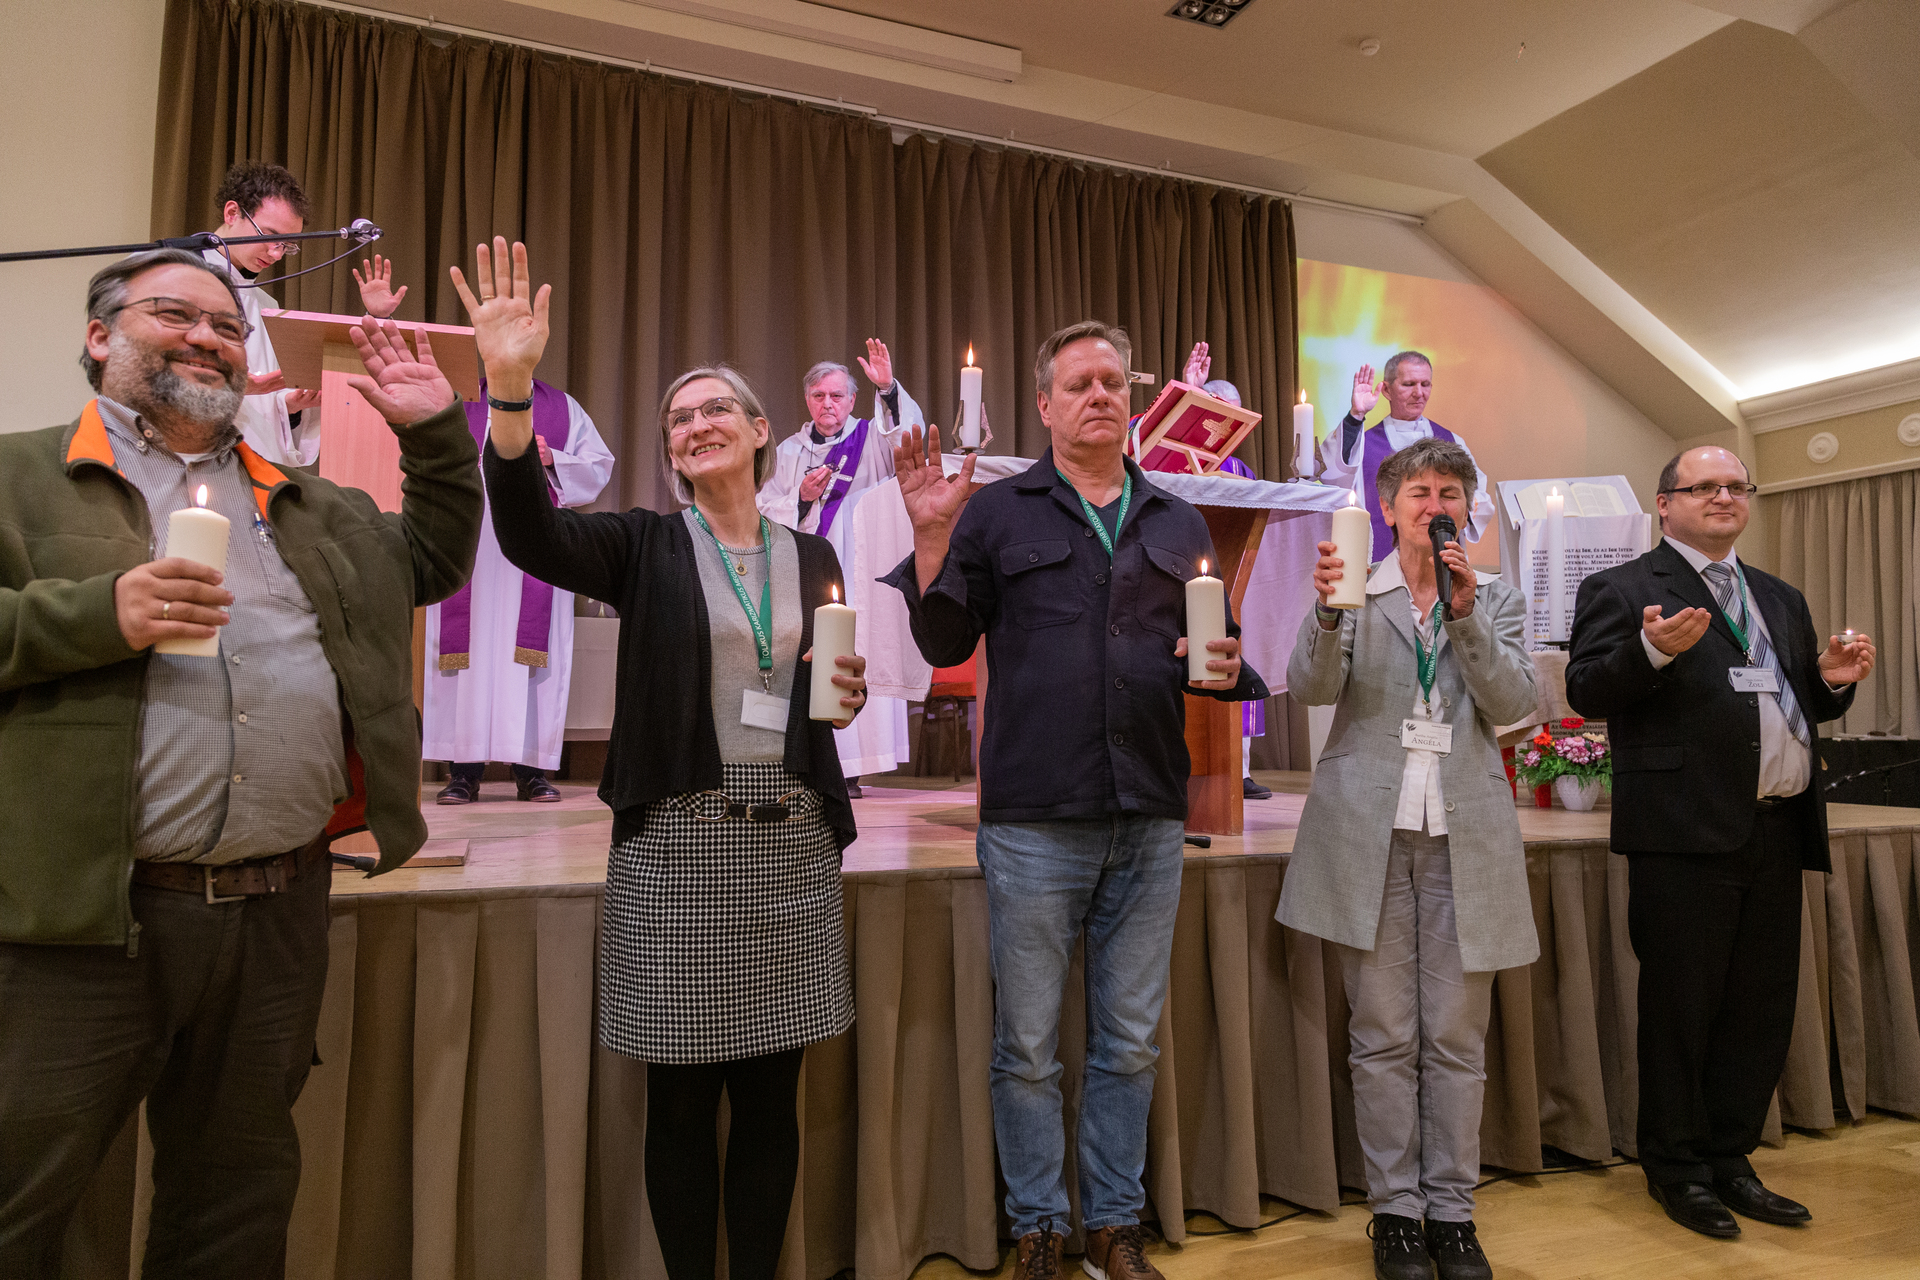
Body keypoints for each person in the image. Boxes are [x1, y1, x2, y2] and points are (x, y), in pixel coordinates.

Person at [0, 247, 482, 1276]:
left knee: (235, 1199)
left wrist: (434, 433)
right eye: (175, 315)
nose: (208, 338)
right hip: (83, 921)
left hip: (276, 909)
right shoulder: (16, 477)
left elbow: (431, 560)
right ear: (100, 336)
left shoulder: (304, 499)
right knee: (23, 1193)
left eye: (227, 325)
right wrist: (97, 614)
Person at [468, 238, 864, 1280]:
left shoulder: (811, 555)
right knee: (681, 1103)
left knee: (772, 1100)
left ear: (761, 430)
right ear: (672, 454)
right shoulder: (642, 545)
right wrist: (510, 395)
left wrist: (843, 697)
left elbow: (809, 693)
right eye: (678, 420)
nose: (695, 425)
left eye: (714, 408)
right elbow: (529, 534)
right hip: (680, 850)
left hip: (791, 847)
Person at [883, 321, 1266, 1280]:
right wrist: (929, 535)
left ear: (1129, 400)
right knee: (1026, 1047)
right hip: (1034, 817)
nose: (1100, 394)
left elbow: (1211, 653)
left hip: (1149, 812)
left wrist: (1227, 670)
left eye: (1112, 381)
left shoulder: (1177, 522)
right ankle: (1039, 1228)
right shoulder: (996, 512)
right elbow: (943, 643)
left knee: (1129, 1043)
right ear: (1044, 405)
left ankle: (1114, 1225)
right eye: (1079, 383)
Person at [1566, 446, 1874, 1241]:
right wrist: (1652, 651)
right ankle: (1676, 1169)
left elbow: (1793, 701)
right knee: (1682, 1009)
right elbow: (1586, 689)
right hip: (1682, 832)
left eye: (1737, 486)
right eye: (1704, 486)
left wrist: (1831, 679)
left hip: (1776, 826)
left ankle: (1731, 1158)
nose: (1724, 497)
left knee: (1758, 1008)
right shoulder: (1622, 588)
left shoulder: (1777, 595)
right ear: (1665, 504)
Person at [1278, 437, 1538, 1280]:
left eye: (1450, 492)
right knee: (1384, 1035)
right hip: (1369, 835)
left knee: (1457, 1037)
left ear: (1467, 509)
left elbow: (1515, 701)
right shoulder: (1356, 590)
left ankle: (1452, 1214)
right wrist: (1327, 613)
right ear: (1388, 509)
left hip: (1468, 838)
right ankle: (1395, 1213)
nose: (1435, 504)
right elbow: (1311, 689)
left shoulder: (1496, 598)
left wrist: (1464, 615)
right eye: (1419, 492)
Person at [426, 375, 615, 803]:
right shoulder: (456, 402)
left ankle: (531, 771)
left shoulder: (562, 407)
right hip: (469, 545)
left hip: (533, 543)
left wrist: (553, 459)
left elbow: (598, 466)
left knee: (529, 659)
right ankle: (463, 771)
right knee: (467, 656)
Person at [757, 344, 923, 794]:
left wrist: (888, 389)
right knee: (810, 652)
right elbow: (761, 508)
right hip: (805, 569)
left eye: (836, 396)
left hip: (862, 565)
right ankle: (813, 757)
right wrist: (802, 498)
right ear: (807, 400)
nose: (827, 404)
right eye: (818, 396)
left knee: (858, 650)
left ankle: (853, 765)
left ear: (851, 400)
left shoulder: (871, 439)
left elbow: (906, 438)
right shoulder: (788, 452)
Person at [196, 161, 403, 466]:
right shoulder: (174, 276)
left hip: (251, 467)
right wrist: (232, 385)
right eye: (269, 236)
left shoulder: (267, 306)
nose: (276, 253)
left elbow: (262, 413)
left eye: (286, 245)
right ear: (232, 213)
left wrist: (289, 407)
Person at [1319, 352, 1495, 560]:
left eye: (1425, 384)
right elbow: (1331, 472)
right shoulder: (1363, 444)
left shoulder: (1452, 441)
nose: (1419, 393)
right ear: (1386, 390)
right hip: (1379, 562)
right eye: (1409, 384)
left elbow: (1478, 497)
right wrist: (1355, 416)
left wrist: (1457, 506)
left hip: (1441, 560)